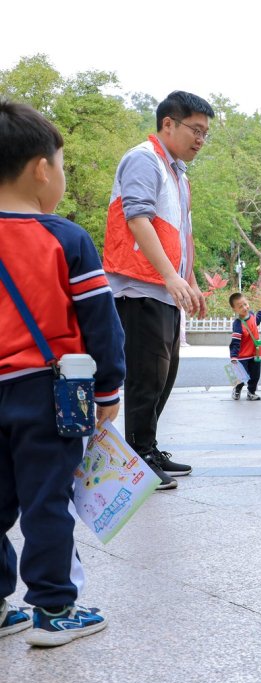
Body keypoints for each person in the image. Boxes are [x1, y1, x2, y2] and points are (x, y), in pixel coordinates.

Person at [0, 100, 124, 646]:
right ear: (41, 169)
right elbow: (102, 324)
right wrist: (109, 389)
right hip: (48, 393)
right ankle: (53, 610)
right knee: (46, 499)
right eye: (63, 165)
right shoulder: (66, 238)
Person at [103, 90, 212, 488]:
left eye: (205, 133)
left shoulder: (177, 172)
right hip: (138, 286)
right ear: (168, 123)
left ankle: (147, 446)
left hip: (165, 287)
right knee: (146, 375)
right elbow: (138, 217)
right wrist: (170, 274)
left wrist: (191, 278)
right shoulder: (143, 159)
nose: (200, 139)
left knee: (165, 374)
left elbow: (183, 232)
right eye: (195, 130)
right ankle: (139, 455)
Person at [228, 292, 261, 400]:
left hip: (256, 352)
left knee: (255, 375)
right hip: (243, 355)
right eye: (240, 306)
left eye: (245, 304)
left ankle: (251, 392)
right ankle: (237, 389)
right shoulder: (238, 323)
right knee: (242, 377)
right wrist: (234, 356)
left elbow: (255, 322)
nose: (245, 307)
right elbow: (235, 341)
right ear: (235, 309)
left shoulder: (252, 315)